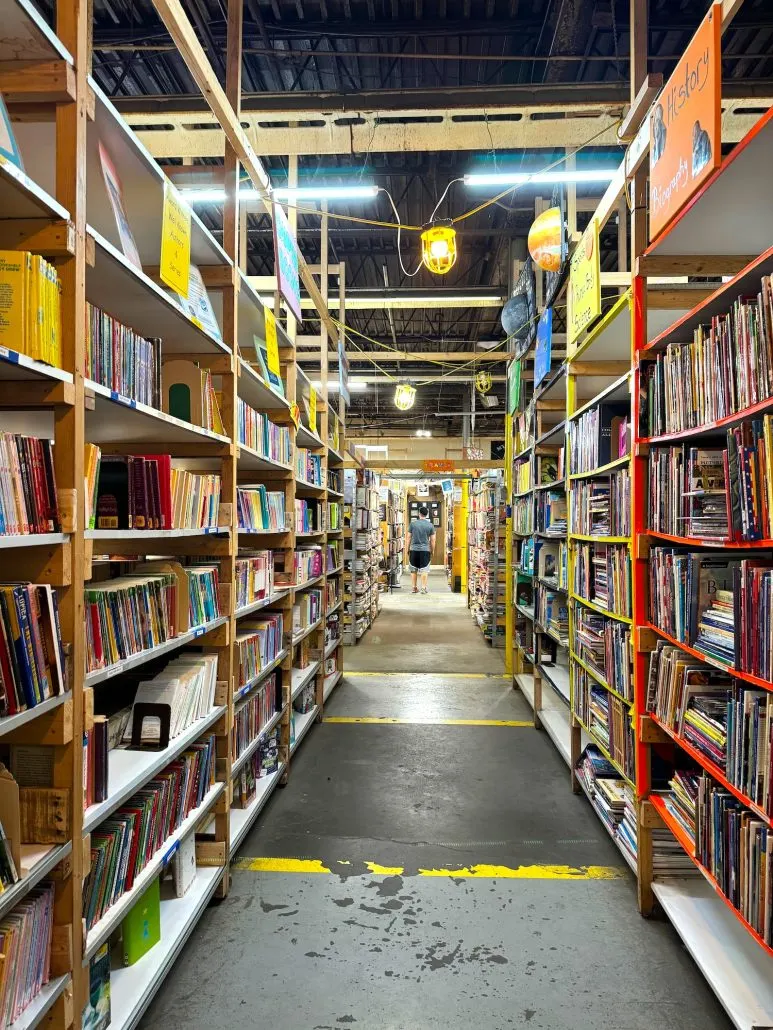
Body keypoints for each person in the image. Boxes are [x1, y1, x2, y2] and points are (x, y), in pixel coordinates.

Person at [408, 505, 436, 594]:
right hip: (425, 550)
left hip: (414, 549)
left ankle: (414, 588)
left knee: (413, 569)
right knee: (424, 569)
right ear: (427, 514)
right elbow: (433, 540)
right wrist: (432, 550)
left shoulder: (413, 524)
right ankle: (423, 588)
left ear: (419, 514)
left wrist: (408, 548)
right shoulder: (430, 525)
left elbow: (408, 537)